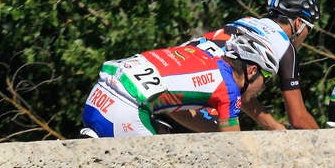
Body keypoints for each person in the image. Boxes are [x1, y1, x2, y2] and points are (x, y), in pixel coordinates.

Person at [172, 0, 322, 131]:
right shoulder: (285, 48)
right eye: (309, 29)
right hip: (192, 91)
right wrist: (329, 141)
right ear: (298, 23)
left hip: (172, 68)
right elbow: (298, 118)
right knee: (229, 141)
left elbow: (239, 87)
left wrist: (274, 126)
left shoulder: (246, 22)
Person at [80, 30, 279, 137]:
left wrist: (215, 132)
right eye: (266, 79)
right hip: (127, 108)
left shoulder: (201, 56)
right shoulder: (229, 90)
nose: (262, 88)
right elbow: (233, 147)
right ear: (252, 71)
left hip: (99, 94)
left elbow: (176, 110)